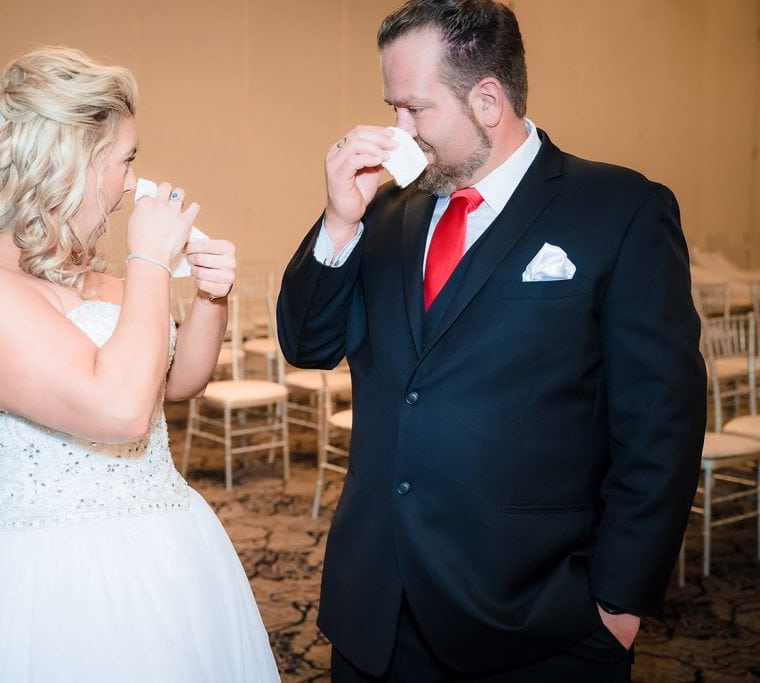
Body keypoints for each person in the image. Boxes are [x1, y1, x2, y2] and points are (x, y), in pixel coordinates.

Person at [277, 1, 706, 681]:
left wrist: (617, 606)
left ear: (487, 100)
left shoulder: (619, 210)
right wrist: (337, 220)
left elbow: (662, 425)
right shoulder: (383, 211)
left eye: (415, 109)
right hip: (376, 614)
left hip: (534, 621)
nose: (398, 131)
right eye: (392, 107)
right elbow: (306, 343)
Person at [0, 46, 280, 681]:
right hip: (45, 584)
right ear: (72, 164)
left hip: (170, 555)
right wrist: (149, 263)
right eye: (125, 160)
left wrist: (211, 300)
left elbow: (175, 385)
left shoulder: (94, 281)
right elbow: (118, 410)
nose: (132, 183)